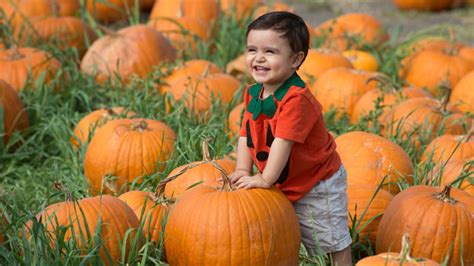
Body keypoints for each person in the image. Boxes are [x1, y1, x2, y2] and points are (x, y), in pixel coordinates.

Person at [228, 11, 353, 265]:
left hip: (316, 182)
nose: (258, 58)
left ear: (296, 59)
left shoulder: (297, 100)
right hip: (285, 179)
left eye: (270, 52)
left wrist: (264, 179)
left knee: (329, 239)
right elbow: (246, 134)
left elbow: (282, 143)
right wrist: (243, 168)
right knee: (288, 235)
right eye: (252, 49)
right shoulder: (253, 93)